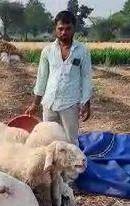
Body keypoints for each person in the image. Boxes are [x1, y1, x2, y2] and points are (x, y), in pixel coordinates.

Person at [24, 10, 92, 147]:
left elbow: (86, 78)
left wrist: (86, 103)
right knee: (48, 139)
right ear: (56, 29)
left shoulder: (82, 51)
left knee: (70, 140)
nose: (64, 32)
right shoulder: (48, 51)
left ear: (74, 29)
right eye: (60, 29)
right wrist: (35, 104)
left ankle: (72, 167)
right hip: (49, 103)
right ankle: (51, 167)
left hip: (70, 104)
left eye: (68, 29)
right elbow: (42, 78)